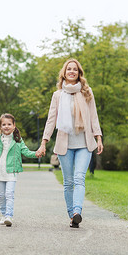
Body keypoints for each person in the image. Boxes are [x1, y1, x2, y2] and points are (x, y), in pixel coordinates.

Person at [36, 58, 103, 228]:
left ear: (79, 73)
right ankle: (71, 215)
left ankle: (77, 212)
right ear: (64, 74)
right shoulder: (58, 95)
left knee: (79, 179)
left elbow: (94, 116)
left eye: (75, 69)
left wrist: (98, 137)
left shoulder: (87, 92)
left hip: (84, 144)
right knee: (68, 182)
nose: (72, 71)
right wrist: (44, 142)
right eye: (69, 69)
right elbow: (51, 120)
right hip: (65, 145)